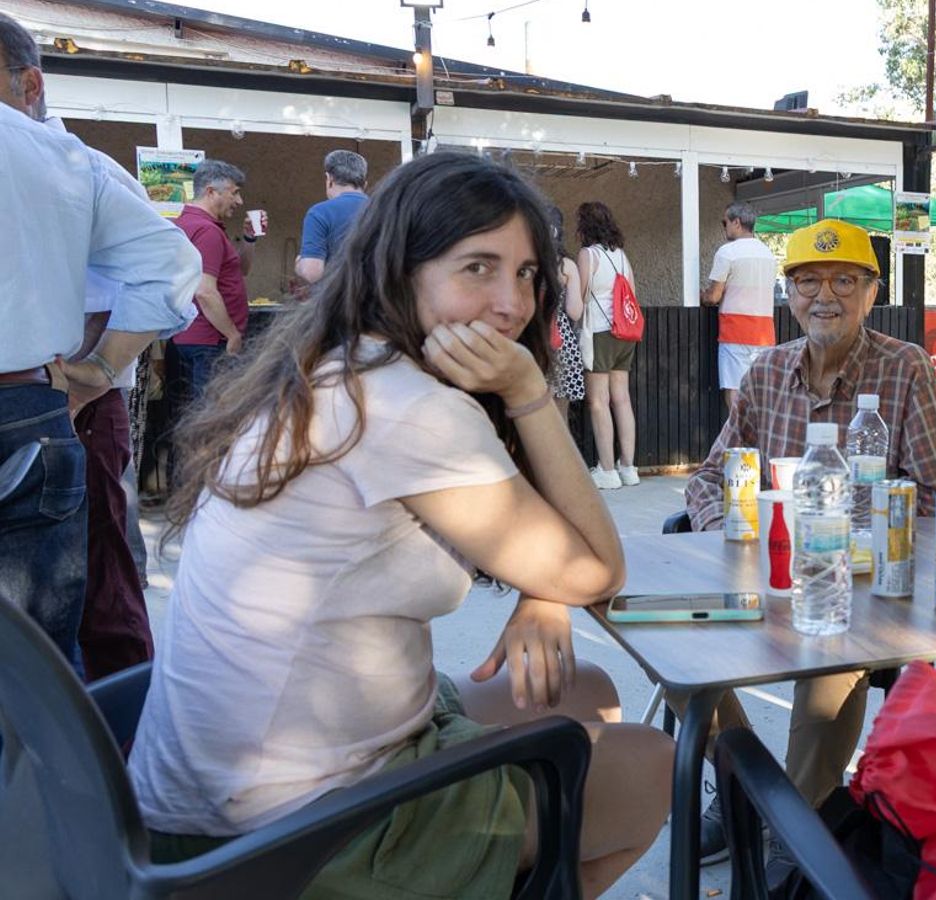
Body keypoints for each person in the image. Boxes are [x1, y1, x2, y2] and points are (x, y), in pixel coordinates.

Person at [127, 153, 672, 899]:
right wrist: (525, 389)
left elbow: (554, 559)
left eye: (527, 274)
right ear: (399, 271)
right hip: (289, 833)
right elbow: (598, 571)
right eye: (478, 267)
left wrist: (542, 592)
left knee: (580, 687)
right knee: (651, 768)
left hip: (203, 795)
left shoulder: (340, 365)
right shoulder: (408, 406)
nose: (512, 304)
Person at [681, 218, 936, 864]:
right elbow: (711, 478)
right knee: (671, 645)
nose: (824, 295)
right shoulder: (766, 372)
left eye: (843, 280)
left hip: (856, 591)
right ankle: (746, 787)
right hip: (766, 577)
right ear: (788, 292)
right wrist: (724, 534)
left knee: (829, 667)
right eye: (807, 280)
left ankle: (795, 836)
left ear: (872, 291)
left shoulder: (904, 369)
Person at [0, 13, 196, 678]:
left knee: (106, 570)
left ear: (30, 83)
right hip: (47, 398)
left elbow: (164, 268)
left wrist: (98, 370)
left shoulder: (78, 163)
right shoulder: (66, 163)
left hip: (67, 396)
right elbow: (169, 267)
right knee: (43, 647)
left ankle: (118, 719)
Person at [172, 159, 252, 403]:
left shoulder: (185, 224)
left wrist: (249, 239)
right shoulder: (207, 231)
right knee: (212, 415)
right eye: (234, 193)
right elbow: (205, 291)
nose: (239, 201)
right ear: (210, 191)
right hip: (211, 340)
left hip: (189, 337)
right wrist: (232, 335)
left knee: (194, 413)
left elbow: (241, 270)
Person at [576, 201, 640, 489]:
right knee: (622, 399)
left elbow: (580, 298)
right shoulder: (621, 255)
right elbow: (632, 295)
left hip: (600, 333)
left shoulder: (588, 255)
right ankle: (628, 467)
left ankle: (606, 469)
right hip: (624, 335)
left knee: (598, 402)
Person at [702, 202, 778, 412]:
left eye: (724, 222)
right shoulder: (768, 254)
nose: (724, 226)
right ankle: (760, 439)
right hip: (764, 332)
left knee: (735, 388)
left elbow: (714, 296)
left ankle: (740, 438)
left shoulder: (727, 252)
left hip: (735, 330)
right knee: (759, 390)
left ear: (736, 222)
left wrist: (702, 295)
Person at [295, 149, 369, 285]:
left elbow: (311, 273)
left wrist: (299, 263)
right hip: (383, 302)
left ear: (329, 179)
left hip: (338, 302)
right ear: (364, 184)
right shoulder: (388, 210)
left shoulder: (320, 213)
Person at [547, 207, 586, 422]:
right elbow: (575, 311)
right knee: (561, 416)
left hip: (532, 337)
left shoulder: (526, 262)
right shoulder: (566, 266)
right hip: (562, 340)